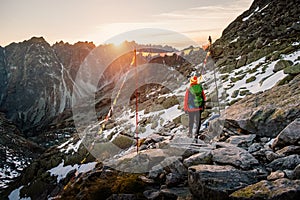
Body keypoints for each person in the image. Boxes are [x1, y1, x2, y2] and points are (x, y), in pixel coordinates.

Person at [184, 76, 206, 140]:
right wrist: (203, 106)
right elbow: (204, 97)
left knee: (191, 121)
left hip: (191, 108)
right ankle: (196, 133)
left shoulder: (189, 89)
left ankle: (190, 133)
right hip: (199, 108)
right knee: (198, 121)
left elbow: (186, 99)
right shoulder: (200, 88)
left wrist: (185, 108)